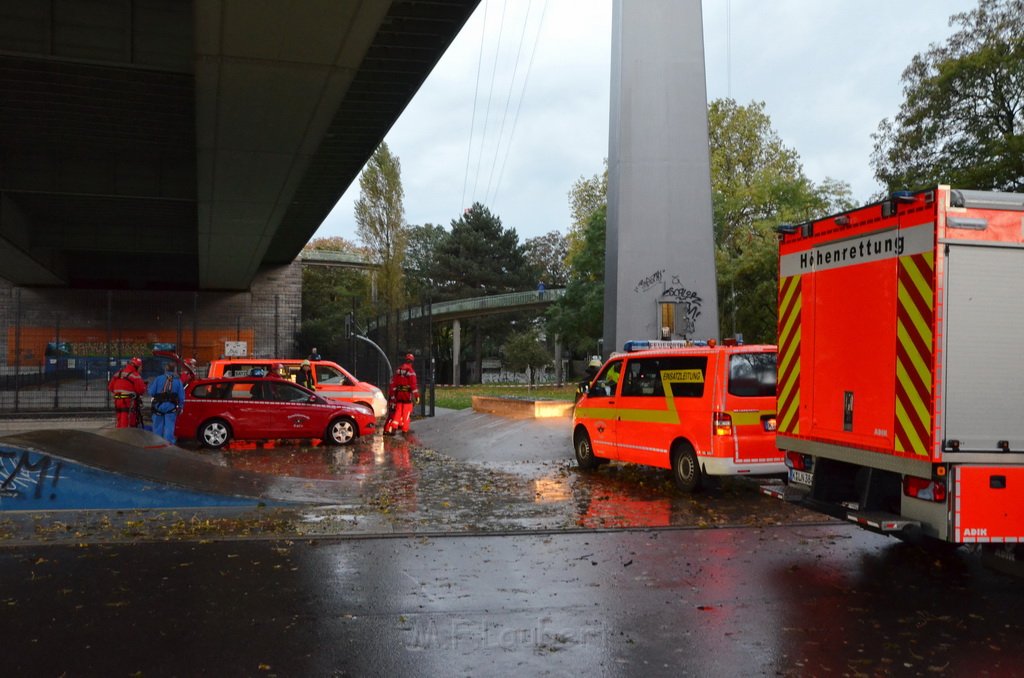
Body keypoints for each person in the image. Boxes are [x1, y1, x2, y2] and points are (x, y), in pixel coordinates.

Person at [148, 362, 185, 443]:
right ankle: (168, 444)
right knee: (169, 426)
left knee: (157, 426)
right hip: (171, 407)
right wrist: (181, 407)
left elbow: (151, 392)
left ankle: (156, 442)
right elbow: (181, 396)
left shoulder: (158, 379)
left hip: (158, 406)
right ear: (174, 370)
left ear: (165, 369)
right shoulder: (178, 381)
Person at [383, 353, 419, 435]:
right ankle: (405, 430)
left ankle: (394, 429)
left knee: (398, 412)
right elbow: (413, 386)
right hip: (407, 395)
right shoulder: (411, 371)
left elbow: (394, 383)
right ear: (412, 361)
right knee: (407, 412)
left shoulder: (399, 370)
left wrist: (394, 394)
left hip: (399, 395)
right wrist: (416, 396)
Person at [107, 357, 147, 428]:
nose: (141, 369)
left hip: (117, 400)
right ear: (136, 366)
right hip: (128, 401)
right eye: (141, 367)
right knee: (127, 422)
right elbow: (141, 390)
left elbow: (110, 387)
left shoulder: (118, 373)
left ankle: (118, 436)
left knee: (119, 420)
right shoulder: (135, 375)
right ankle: (125, 437)